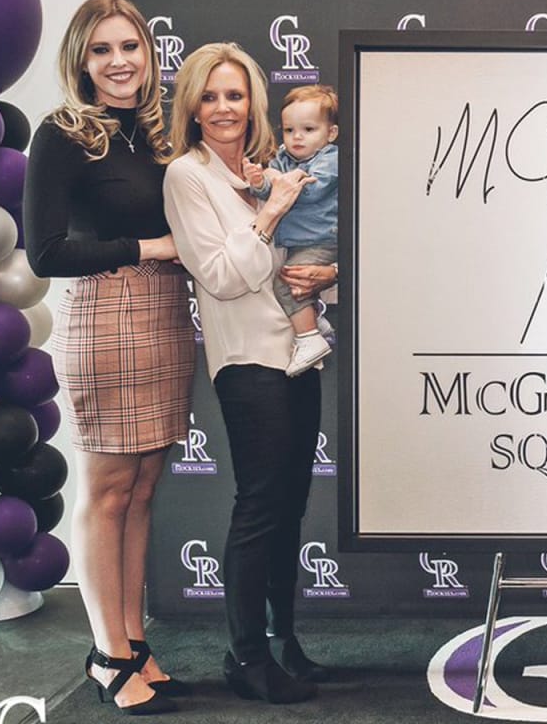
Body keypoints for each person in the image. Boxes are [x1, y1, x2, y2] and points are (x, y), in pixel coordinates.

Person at [23, 0, 192, 716]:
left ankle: (133, 639)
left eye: (130, 47)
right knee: (107, 493)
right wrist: (148, 247)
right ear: (81, 61)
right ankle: (106, 655)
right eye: (102, 50)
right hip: (105, 315)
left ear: (148, 56)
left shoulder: (159, 135)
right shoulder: (61, 135)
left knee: (145, 489)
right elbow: (46, 250)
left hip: (164, 316)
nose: (119, 62)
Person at [161, 42, 339, 705]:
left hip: (298, 352)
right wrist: (268, 214)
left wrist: (329, 273)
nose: (224, 107)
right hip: (247, 362)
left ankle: (284, 641)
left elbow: (311, 265)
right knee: (261, 508)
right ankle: (247, 656)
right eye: (210, 95)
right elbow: (225, 275)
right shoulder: (189, 177)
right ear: (193, 107)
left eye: (234, 94)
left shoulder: (278, 168)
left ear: (253, 102)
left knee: (290, 507)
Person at [244, 84, 339, 376]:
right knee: (286, 284)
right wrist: (259, 181)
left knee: (286, 284)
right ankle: (315, 325)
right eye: (289, 130)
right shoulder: (284, 159)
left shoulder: (331, 159)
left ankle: (309, 339)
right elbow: (269, 194)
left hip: (323, 240)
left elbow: (307, 191)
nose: (297, 137)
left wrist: (278, 180)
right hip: (296, 243)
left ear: (330, 134)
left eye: (308, 129)